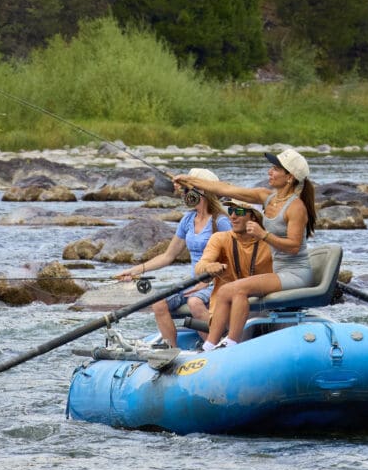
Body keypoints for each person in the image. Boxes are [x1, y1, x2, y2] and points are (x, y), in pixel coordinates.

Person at [175, 148, 317, 349]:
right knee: (225, 291)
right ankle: (210, 346)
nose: (270, 172)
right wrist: (190, 181)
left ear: (290, 177)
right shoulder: (267, 197)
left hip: (294, 273)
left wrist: (263, 235)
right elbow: (226, 188)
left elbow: (294, 247)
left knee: (238, 289)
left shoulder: (296, 208)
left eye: (276, 169)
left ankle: (231, 343)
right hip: (280, 272)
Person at [114, 168, 230, 347]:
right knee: (158, 301)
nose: (183, 195)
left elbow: (235, 256)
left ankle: (214, 347)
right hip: (193, 282)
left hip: (216, 283)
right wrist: (135, 270)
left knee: (194, 302)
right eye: (183, 191)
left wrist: (207, 281)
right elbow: (168, 256)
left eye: (186, 190)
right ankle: (172, 350)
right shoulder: (187, 220)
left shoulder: (221, 221)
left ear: (203, 191)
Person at [195, 200, 274, 319]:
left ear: (254, 216)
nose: (232, 217)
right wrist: (208, 267)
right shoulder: (219, 238)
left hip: (262, 305)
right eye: (231, 211)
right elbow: (199, 267)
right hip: (227, 309)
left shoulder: (271, 241)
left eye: (239, 211)